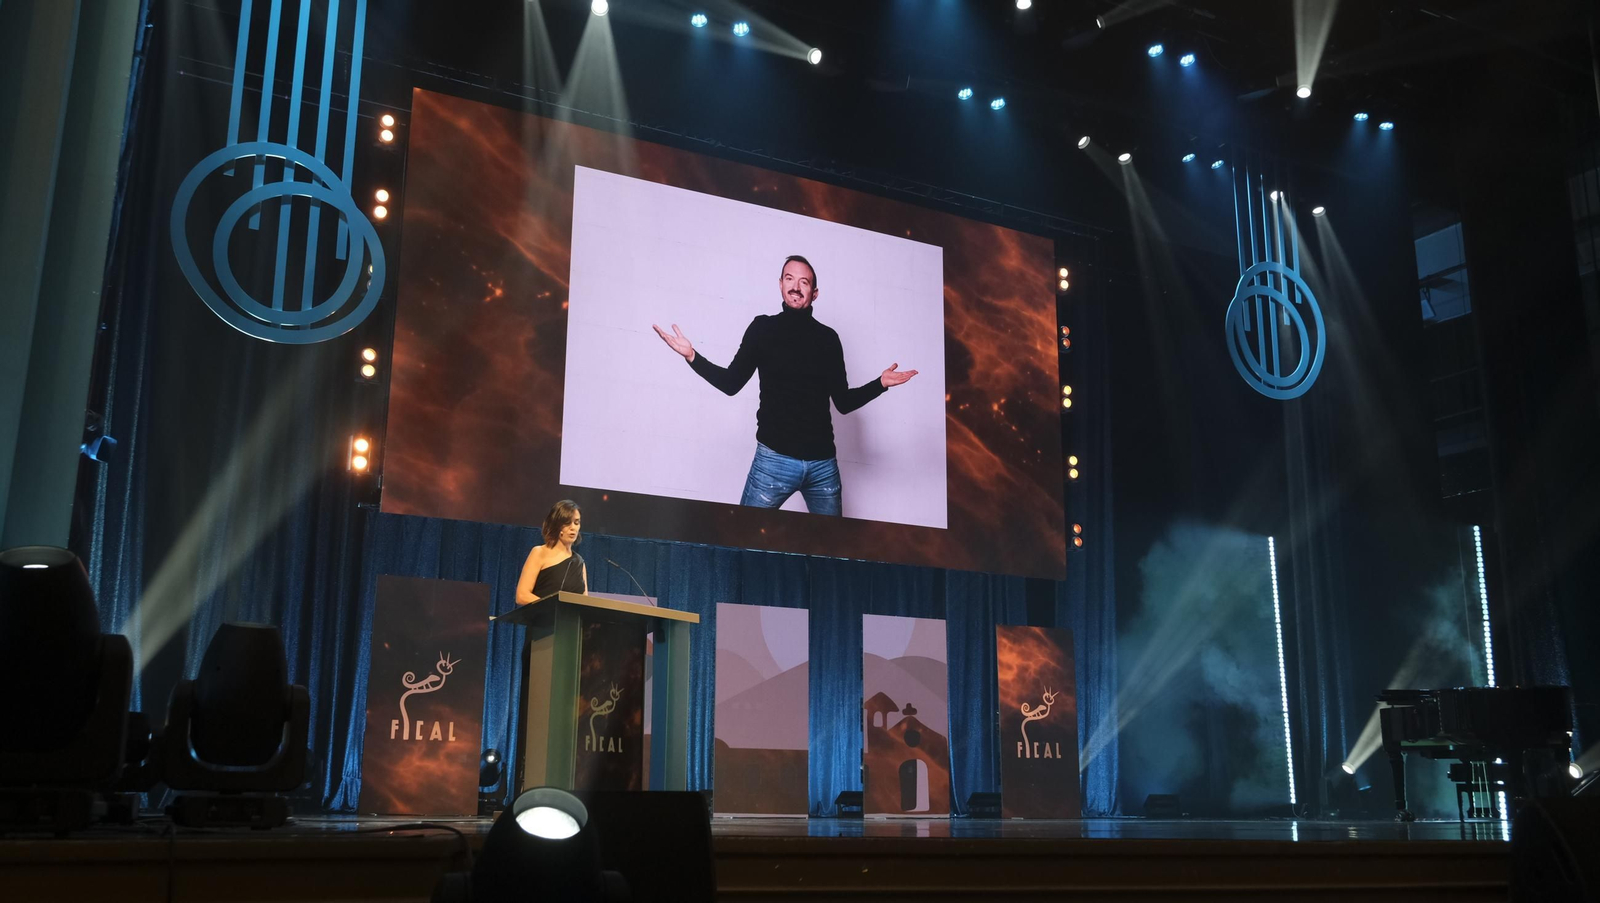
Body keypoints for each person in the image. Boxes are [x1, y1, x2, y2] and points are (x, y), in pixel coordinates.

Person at [651, 255, 917, 516]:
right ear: (780, 284)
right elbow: (731, 383)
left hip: (822, 466)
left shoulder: (828, 339)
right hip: (773, 462)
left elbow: (843, 403)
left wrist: (880, 383)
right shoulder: (762, 329)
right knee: (745, 540)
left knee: (833, 550)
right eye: (789, 279)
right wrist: (692, 356)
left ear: (814, 293)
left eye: (804, 282)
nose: (795, 287)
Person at [514, 499, 587, 604]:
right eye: (567, 523)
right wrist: (554, 608)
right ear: (556, 524)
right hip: (543, 618)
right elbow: (522, 596)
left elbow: (584, 602)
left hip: (570, 620)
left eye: (576, 522)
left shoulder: (579, 562)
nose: (573, 528)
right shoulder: (539, 552)